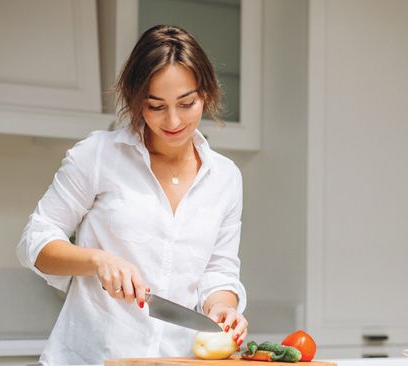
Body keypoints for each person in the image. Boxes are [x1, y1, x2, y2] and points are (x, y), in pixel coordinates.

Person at [16, 25, 248, 366]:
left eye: (187, 103)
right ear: (137, 100)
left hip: (175, 360)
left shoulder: (225, 177)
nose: (173, 121)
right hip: (91, 358)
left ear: (207, 94)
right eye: (156, 106)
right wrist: (98, 260)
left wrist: (223, 308)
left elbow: (219, 271)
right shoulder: (98, 155)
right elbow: (34, 242)